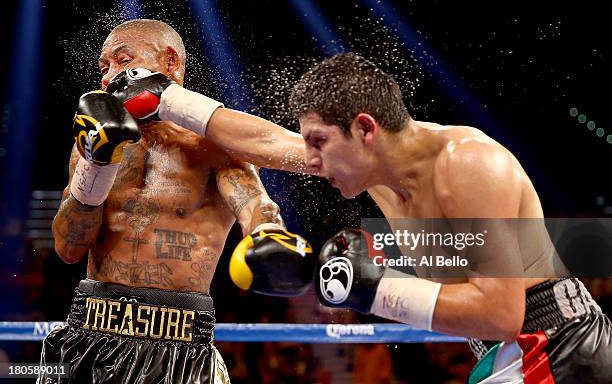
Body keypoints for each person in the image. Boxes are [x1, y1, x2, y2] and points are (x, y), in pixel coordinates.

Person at [114, 51, 612, 382]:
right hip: (512, 352)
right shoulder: (377, 171)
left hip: (556, 346)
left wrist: (375, 288)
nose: (309, 160)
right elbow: (266, 143)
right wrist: (168, 100)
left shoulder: (469, 165)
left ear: (365, 129)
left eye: (318, 143)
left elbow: (503, 315)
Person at [39, 19, 314, 384]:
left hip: (179, 344)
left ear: (170, 63)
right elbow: (69, 248)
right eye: (103, 68)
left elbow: (255, 206)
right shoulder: (90, 142)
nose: (108, 78)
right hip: (89, 329)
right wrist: (95, 165)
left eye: (123, 60)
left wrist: (269, 235)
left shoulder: (214, 146)